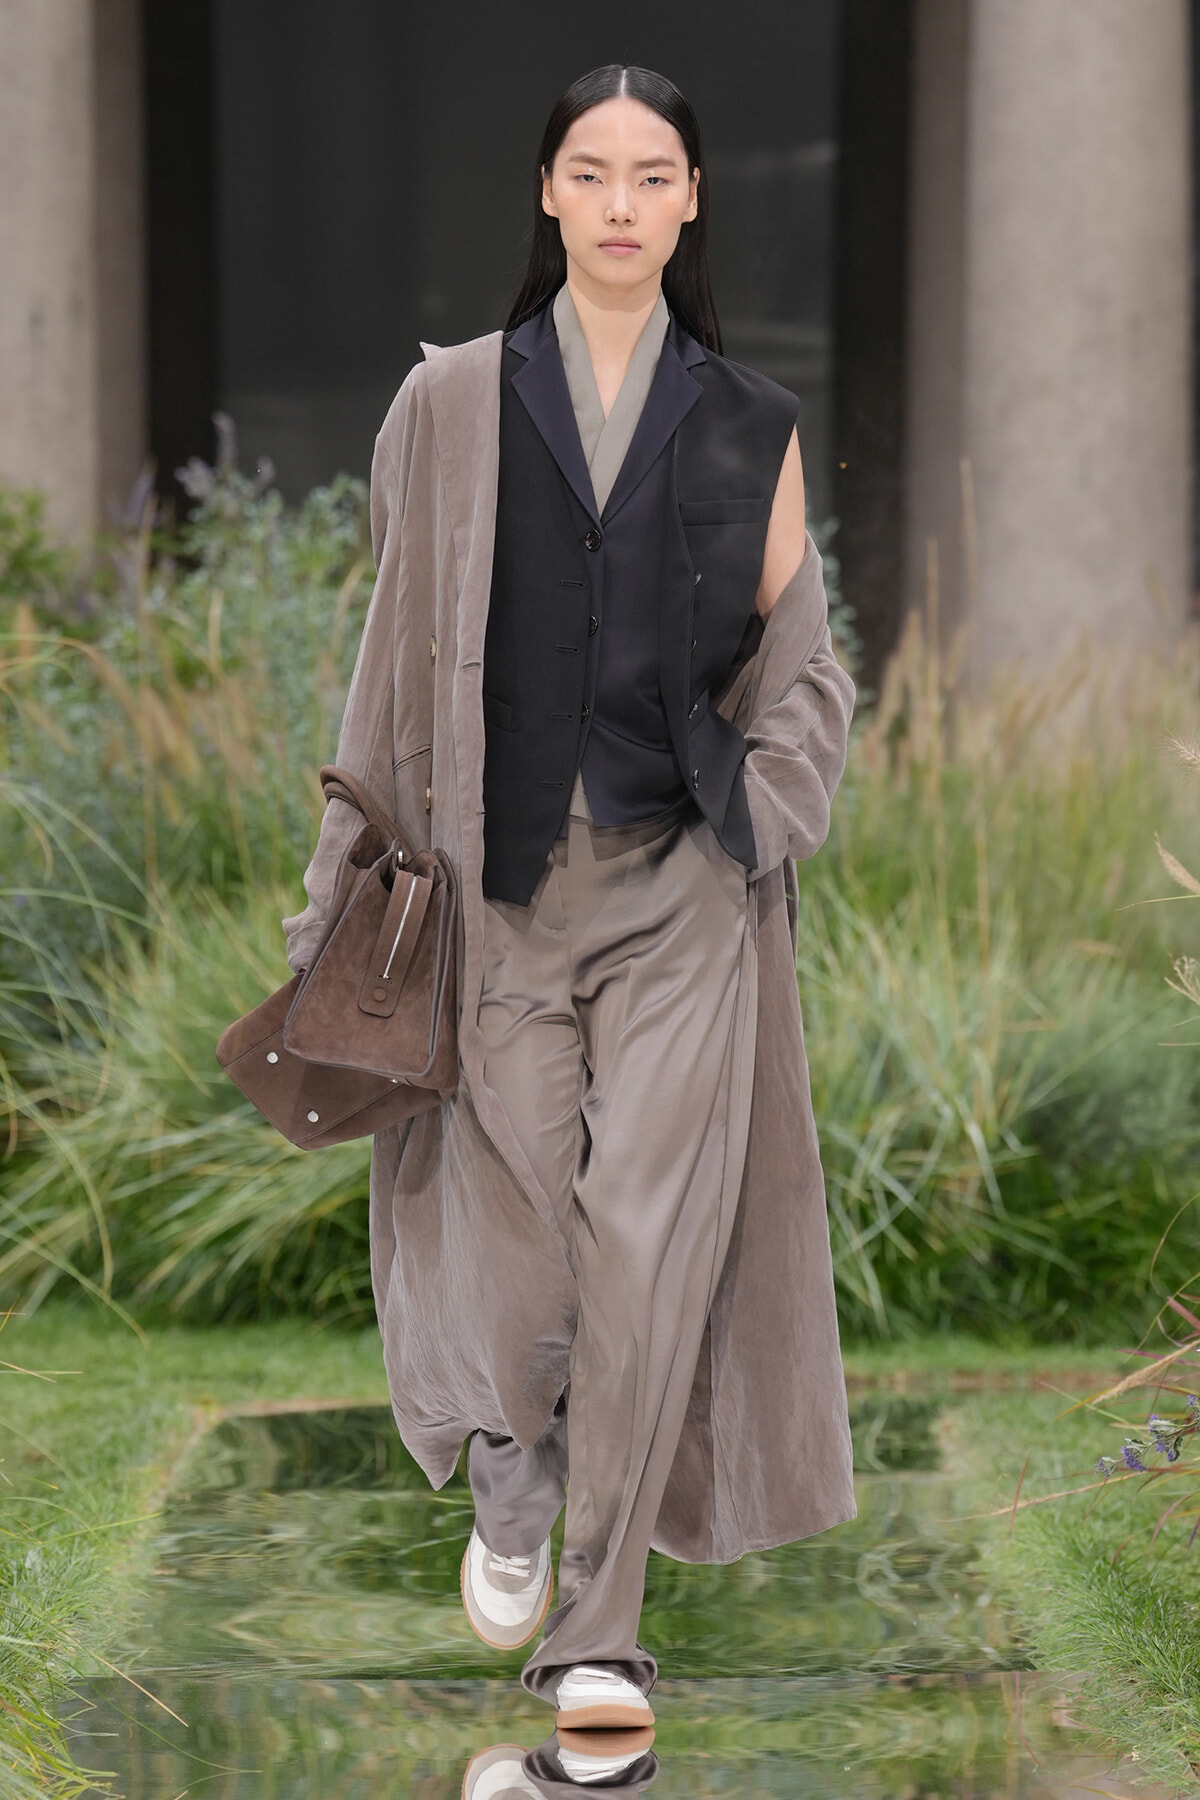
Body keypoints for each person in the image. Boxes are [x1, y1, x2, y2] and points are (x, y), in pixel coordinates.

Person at [282, 62, 858, 1756]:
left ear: (692, 205)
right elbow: (395, 666)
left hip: (684, 889)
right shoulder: (452, 402)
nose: (621, 202)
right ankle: (514, 1477)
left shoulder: (750, 418)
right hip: (500, 893)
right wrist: (345, 893)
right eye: (591, 171)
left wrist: (760, 819)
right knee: (523, 1258)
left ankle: (598, 1637)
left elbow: (801, 660)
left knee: (646, 1251)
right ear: (547, 193)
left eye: (654, 174)